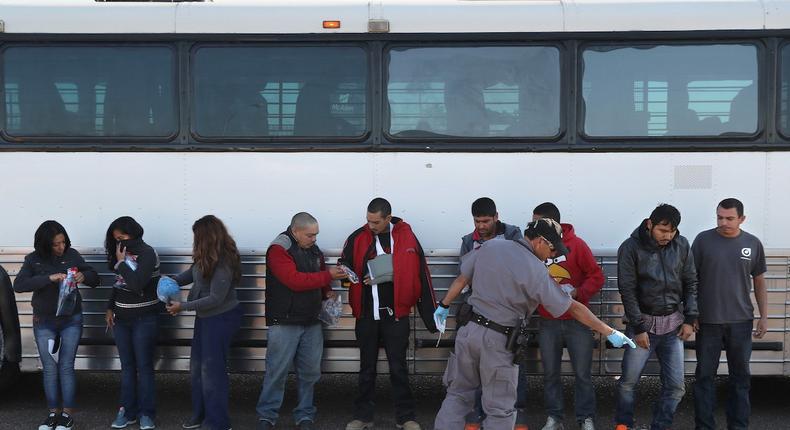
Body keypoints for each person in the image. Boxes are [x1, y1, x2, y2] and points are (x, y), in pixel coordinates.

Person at [433, 218, 634, 430]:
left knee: (457, 396)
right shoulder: (536, 270)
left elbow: (462, 278)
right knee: (499, 409)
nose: (554, 255)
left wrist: (444, 304)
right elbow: (572, 307)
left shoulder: (491, 245)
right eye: (553, 249)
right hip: (498, 341)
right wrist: (608, 330)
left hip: (468, 331)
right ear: (540, 241)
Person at [340, 198, 437, 430]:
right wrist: (352, 275)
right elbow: (344, 266)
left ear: (387, 217)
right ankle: (363, 417)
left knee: (398, 368)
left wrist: (431, 315)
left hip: (396, 316)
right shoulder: (357, 236)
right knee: (366, 368)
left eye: (375, 222)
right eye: (368, 220)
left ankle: (406, 418)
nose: (370, 225)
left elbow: (421, 273)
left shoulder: (406, 236)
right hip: (366, 315)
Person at [255, 212, 347, 430]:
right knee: (276, 372)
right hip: (284, 321)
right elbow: (294, 281)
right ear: (295, 231)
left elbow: (318, 272)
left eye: (316, 235)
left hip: (312, 320)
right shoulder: (278, 249)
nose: (314, 239)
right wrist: (329, 277)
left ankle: (305, 414)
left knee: (310, 372)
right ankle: (267, 416)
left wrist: (327, 292)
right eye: (310, 235)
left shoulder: (313, 249)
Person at [614, 204, 698, 430]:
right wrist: (639, 327)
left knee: (676, 386)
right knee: (628, 383)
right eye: (663, 230)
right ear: (650, 223)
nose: (667, 236)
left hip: (673, 327)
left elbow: (691, 282)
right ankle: (623, 425)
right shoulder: (630, 247)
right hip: (642, 326)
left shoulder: (681, 244)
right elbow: (627, 290)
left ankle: (660, 426)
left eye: (672, 231)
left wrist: (690, 318)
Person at [13, 220, 99, 430]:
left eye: (63, 242)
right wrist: (48, 278)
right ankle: (53, 413)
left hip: (71, 319)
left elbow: (95, 279)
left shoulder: (72, 255)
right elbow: (19, 285)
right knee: (50, 368)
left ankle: (67, 415)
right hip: (44, 321)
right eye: (56, 244)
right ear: (44, 245)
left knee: (66, 366)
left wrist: (84, 275)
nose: (61, 247)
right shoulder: (33, 260)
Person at [692, 198, 767, 430]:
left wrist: (764, 316)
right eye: (719, 217)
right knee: (704, 378)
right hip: (708, 322)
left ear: (742, 219)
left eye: (729, 218)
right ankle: (704, 426)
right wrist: (691, 313)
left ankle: (738, 426)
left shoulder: (753, 243)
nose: (723, 222)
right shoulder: (702, 241)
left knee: (740, 380)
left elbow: (759, 281)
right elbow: (690, 280)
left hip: (740, 322)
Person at [165, 215, 243, 430]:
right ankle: (200, 415)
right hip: (206, 318)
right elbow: (190, 275)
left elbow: (216, 298)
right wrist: (169, 281)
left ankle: (218, 422)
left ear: (206, 237)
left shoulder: (225, 261)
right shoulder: (204, 257)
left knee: (212, 372)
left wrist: (183, 307)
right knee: (197, 368)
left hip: (221, 319)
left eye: (197, 237)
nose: (194, 241)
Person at [531, 203, 604, 430]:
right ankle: (555, 419)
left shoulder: (577, 245)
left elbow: (597, 276)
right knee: (550, 374)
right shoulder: (535, 246)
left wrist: (578, 293)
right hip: (548, 321)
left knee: (582, 374)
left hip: (577, 320)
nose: (532, 228)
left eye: (537, 223)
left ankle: (586, 418)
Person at [458, 197, 523, 429]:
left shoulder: (514, 235)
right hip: (478, 312)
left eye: (486, 221)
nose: (481, 226)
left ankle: (515, 418)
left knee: (511, 367)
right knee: (476, 368)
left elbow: (522, 269)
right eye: (477, 221)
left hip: (508, 313)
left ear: (496, 217)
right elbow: (464, 276)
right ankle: (475, 418)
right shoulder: (468, 241)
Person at [105, 216, 163, 430]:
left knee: (144, 367)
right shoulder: (123, 255)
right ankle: (127, 411)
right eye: (117, 239)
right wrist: (110, 307)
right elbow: (119, 285)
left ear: (134, 233)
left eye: (123, 237)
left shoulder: (148, 253)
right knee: (127, 367)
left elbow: (138, 284)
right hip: (122, 319)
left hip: (144, 319)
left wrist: (121, 263)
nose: (120, 242)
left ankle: (147, 414)